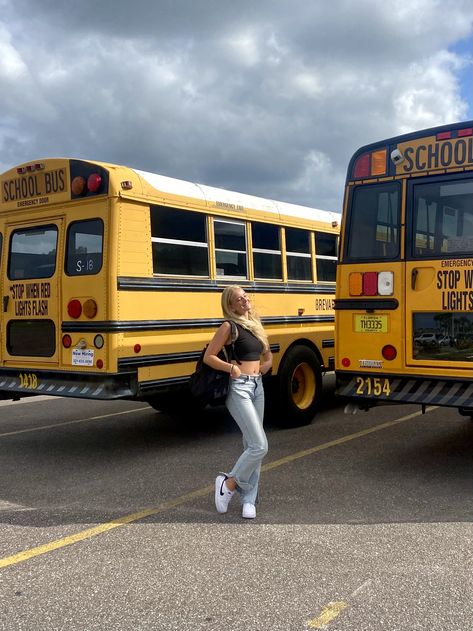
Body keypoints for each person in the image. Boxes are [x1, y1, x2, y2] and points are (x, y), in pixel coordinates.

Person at [204, 285, 273, 519]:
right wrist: (231, 367)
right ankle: (229, 484)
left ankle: (249, 500)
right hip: (240, 387)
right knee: (259, 445)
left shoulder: (254, 324)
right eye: (239, 299)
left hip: (258, 386)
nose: (245, 300)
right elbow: (209, 356)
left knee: (251, 445)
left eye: (245, 296)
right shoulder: (228, 326)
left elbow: (267, 353)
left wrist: (268, 364)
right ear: (231, 305)